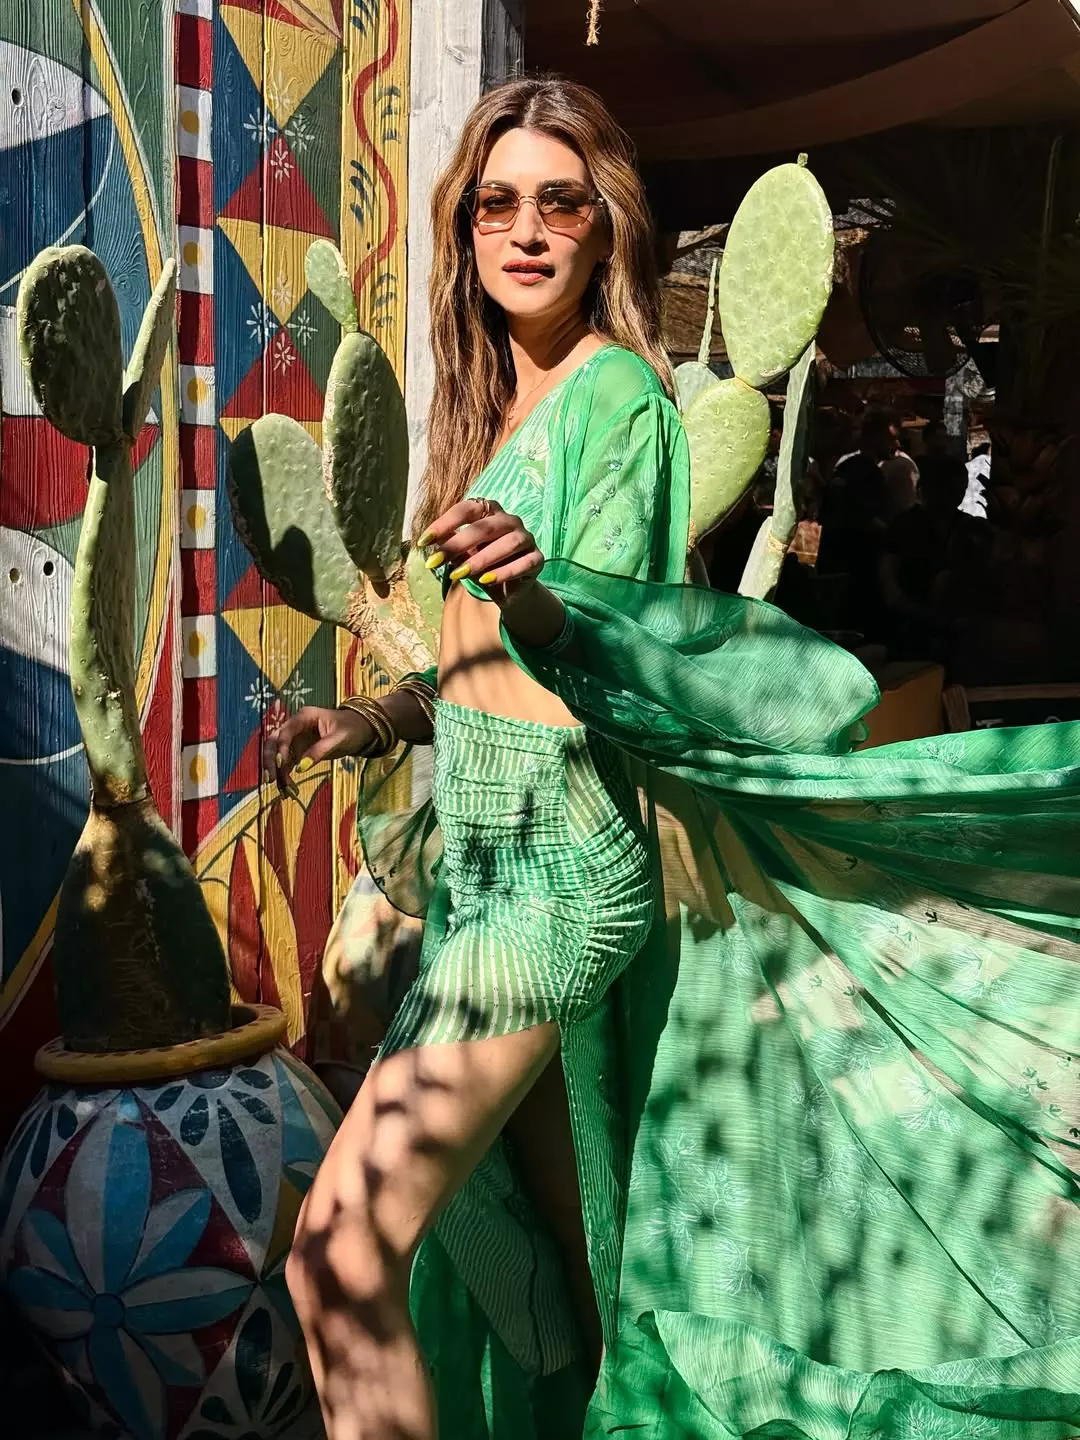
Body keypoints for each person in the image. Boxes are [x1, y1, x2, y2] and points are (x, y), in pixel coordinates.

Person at [274, 78, 1080, 1440]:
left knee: (339, 1252)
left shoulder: (619, 398)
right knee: (572, 1270)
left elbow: (608, 638)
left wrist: (537, 593)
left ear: (605, 230)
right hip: (483, 869)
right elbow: (480, 656)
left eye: (560, 203)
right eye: (497, 204)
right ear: (465, 229)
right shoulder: (493, 410)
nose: (527, 231)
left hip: (553, 884)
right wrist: (379, 719)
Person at [879, 452, 991, 663]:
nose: (954, 496)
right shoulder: (904, 525)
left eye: (959, 490)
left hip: (960, 632)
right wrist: (920, 614)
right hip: (911, 628)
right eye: (947, 490)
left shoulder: (973, 528)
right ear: (927, 489)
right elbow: (889, 584)